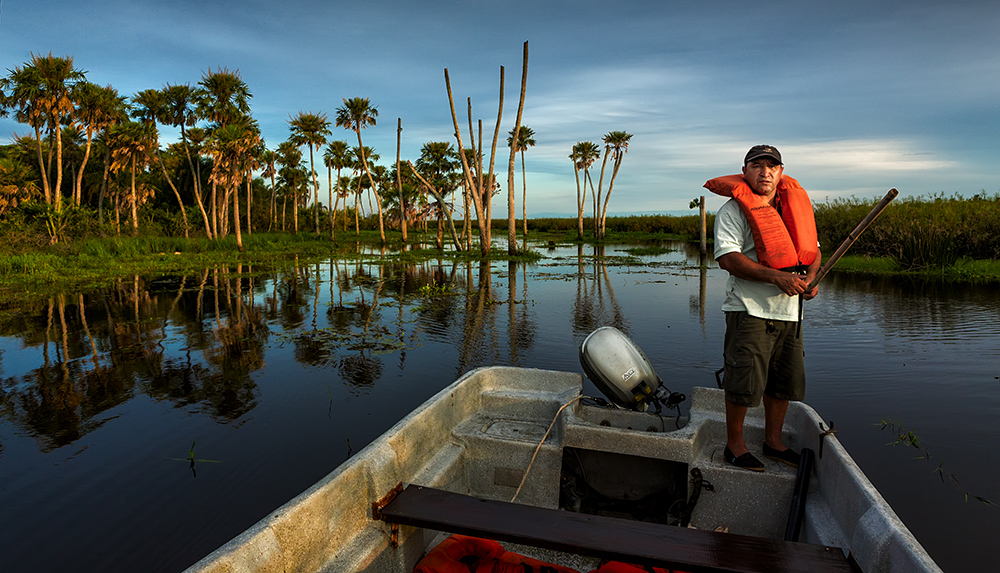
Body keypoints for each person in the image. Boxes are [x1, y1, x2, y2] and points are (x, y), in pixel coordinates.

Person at [707, 145, 821, 472]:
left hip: (790, 313)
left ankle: (774, 442)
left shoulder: (792, 208)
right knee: (743, 381)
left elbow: (813, 253)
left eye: (772, 166)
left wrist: (810, 280)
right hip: (749, 310)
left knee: (783, 383)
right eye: (757, 165)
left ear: (781, 173)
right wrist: (777, 279)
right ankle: (735, 445)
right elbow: (729, 259)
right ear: (745, 172)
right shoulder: (732, 211)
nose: (765, 172)